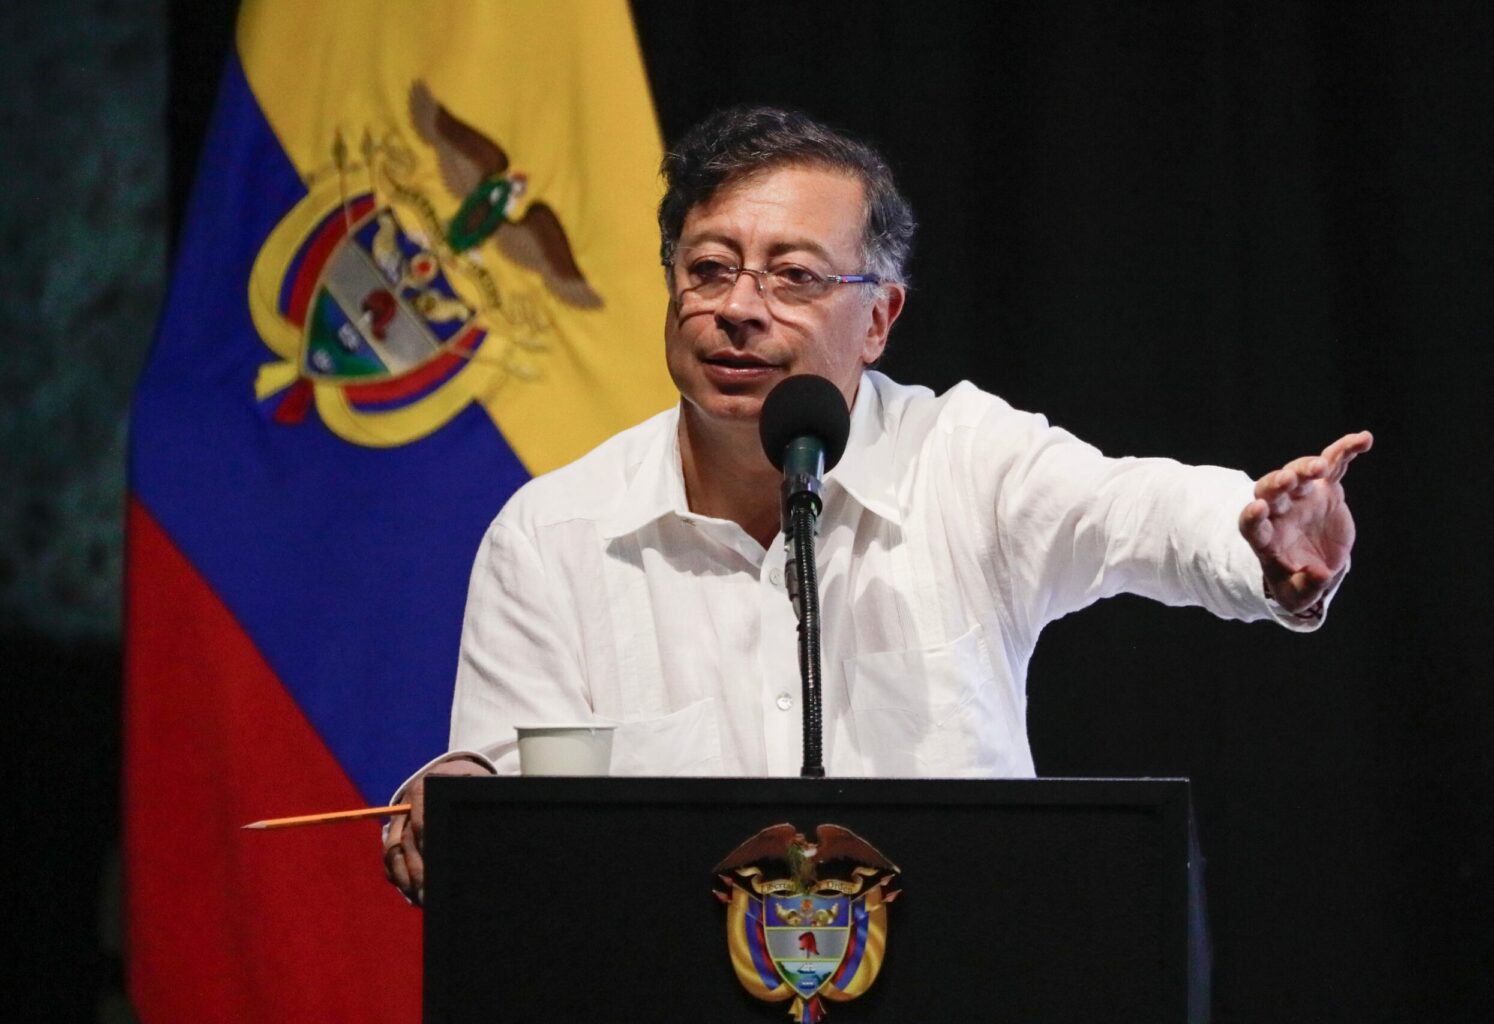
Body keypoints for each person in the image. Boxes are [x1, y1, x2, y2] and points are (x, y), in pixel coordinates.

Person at [383, 105, 1371, 905]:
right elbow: (503, 816)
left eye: (794, 277)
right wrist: (459, 802)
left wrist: (1253, 537)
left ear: (879, 319)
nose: (738, 307)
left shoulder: (964, 460)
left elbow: (1133, 508)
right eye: (709, 268)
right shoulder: (552, 536)